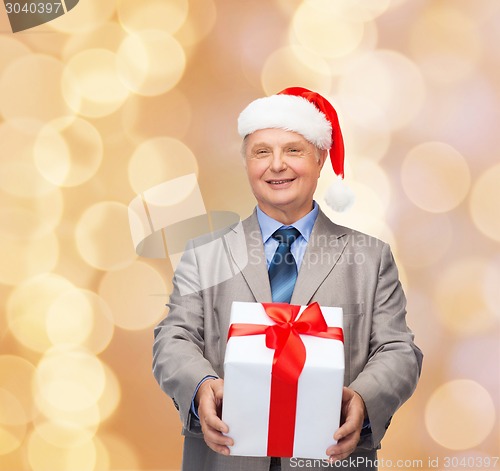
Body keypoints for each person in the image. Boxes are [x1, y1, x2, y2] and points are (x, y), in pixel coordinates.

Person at [153, 87, 423, 471]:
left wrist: (363, 398)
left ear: (320, 158)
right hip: (226, 457)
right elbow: (173, 337)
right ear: (246, 162)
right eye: (262, 152)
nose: (276, 165)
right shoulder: (204, 254)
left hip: (330, 458)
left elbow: (398, 350)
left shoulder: (371, 258)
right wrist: (200, 386)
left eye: (293, 150)